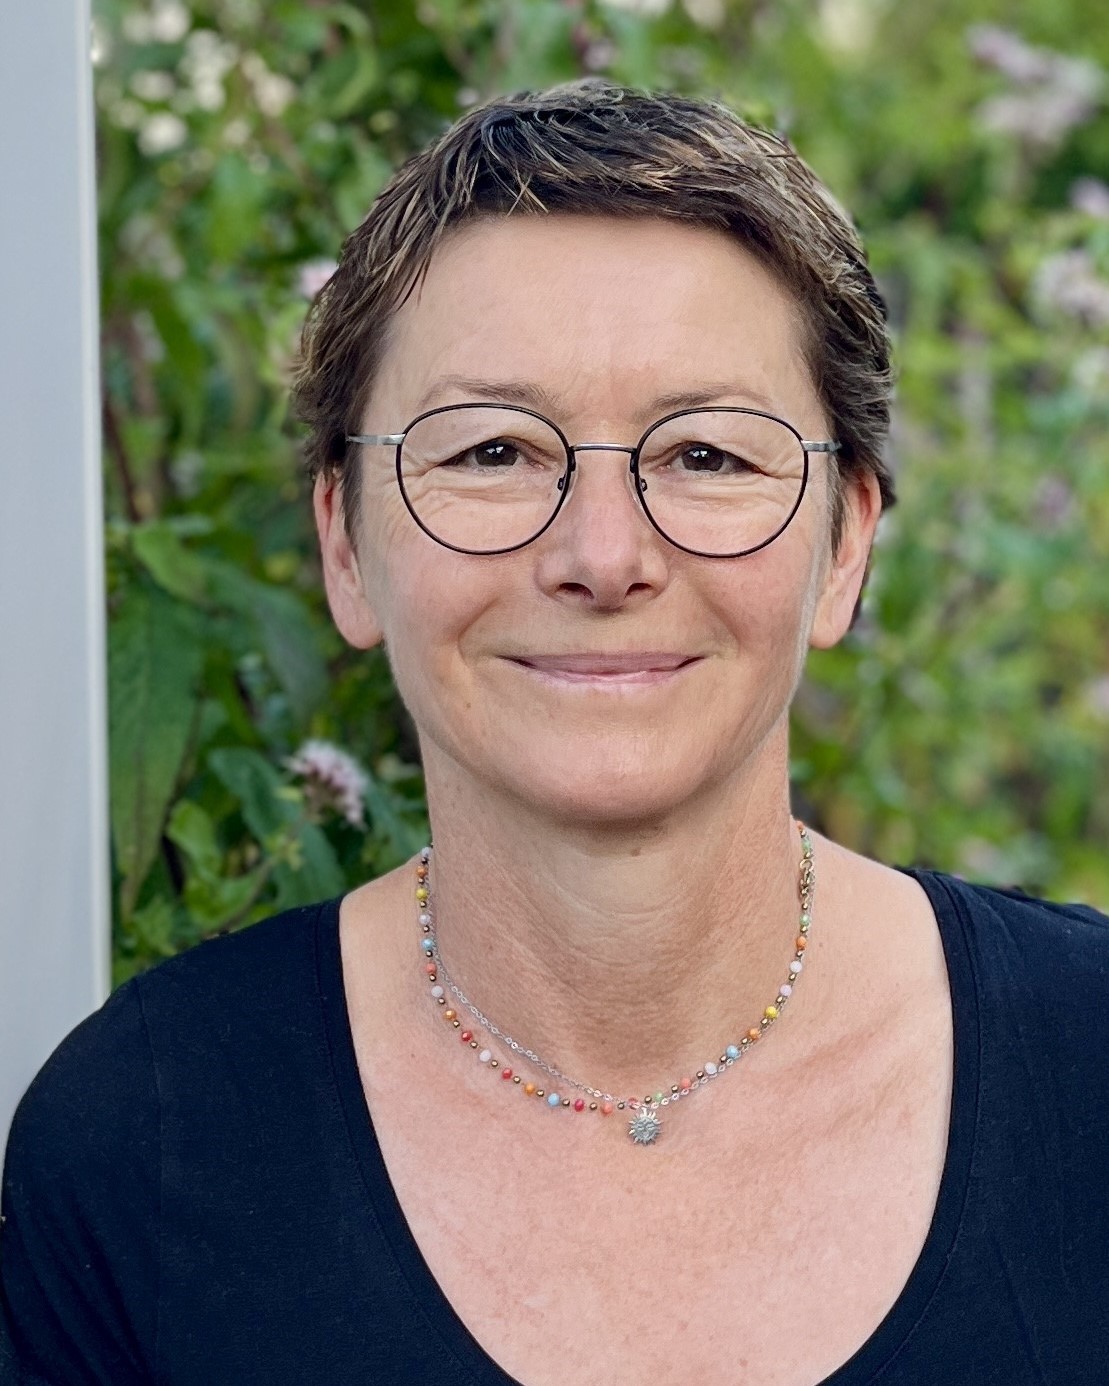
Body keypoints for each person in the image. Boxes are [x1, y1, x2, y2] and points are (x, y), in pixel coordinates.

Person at [2, 80, 1107, 1386]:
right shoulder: (140, 1147)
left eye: (705, 455)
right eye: (491, 452)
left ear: (846, 545)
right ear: (344, 546)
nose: (602, 554)